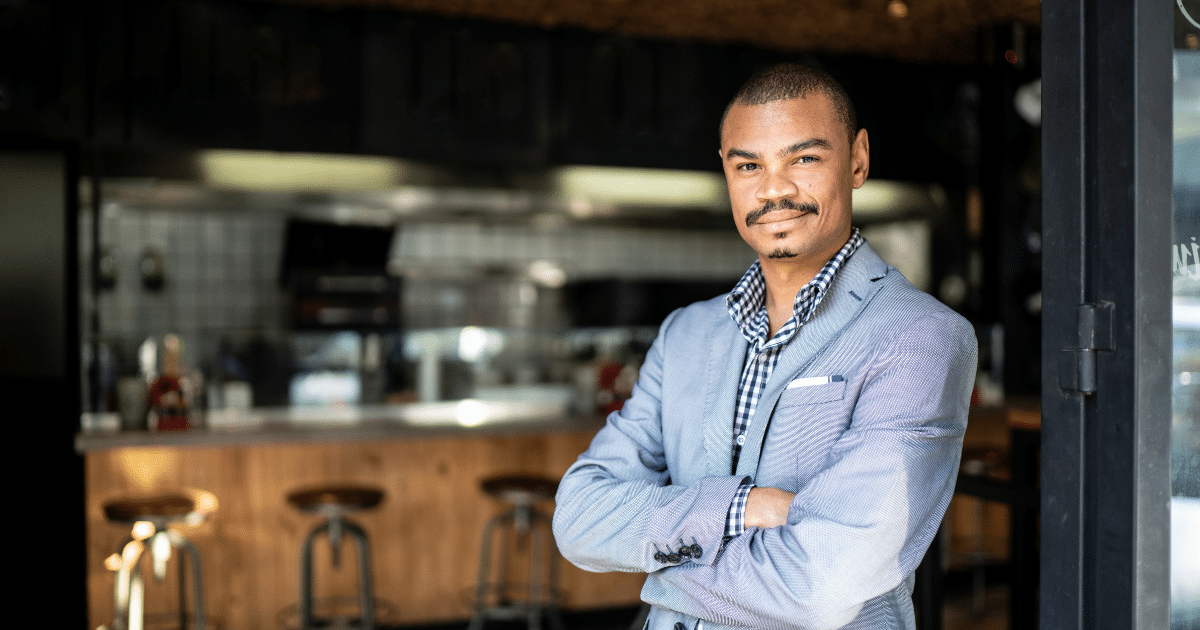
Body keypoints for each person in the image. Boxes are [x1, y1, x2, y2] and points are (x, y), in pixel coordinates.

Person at [551, 62, 978, 630]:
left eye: (804, 159)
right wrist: (740, 507)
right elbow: (577, 519)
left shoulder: (921, 336)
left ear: (857, 160)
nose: (774, 189)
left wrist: (654, 569)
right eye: (748, 165)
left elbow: (820, 585)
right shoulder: (684, 334)